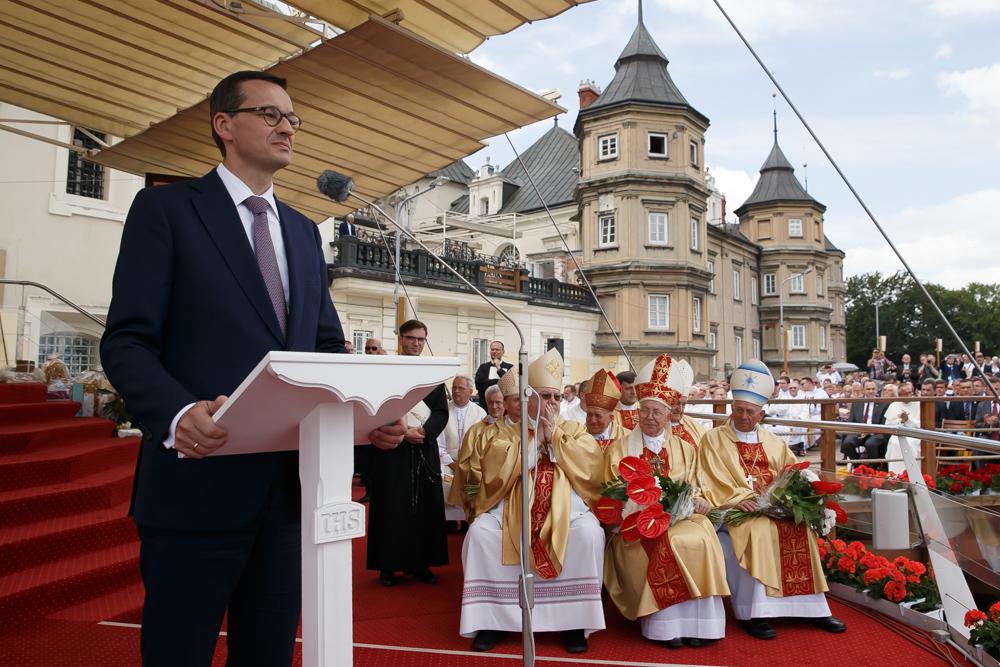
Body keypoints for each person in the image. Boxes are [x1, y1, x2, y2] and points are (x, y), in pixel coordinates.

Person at [99, 70, 407, 666]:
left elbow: (323, 354)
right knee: (177, 653)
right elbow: (128, 340)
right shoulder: (166, 210)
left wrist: (370, 426)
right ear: (224, 125)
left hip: (288, 495)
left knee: (266, 655)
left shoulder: (302, 230)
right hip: (196, 484)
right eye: (270, 114)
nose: (286, 127)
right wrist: (177, 411)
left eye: (292, 118)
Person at [460, 349, 605, 654]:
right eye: (545, 396)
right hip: (512, 508)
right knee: (480, 534)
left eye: (555, 397)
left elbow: (591, 470)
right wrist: (535, 439)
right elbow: (494, 472)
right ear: (530, 398)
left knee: (589, 534)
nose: (552, 403)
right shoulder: (507, 432)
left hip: (568, 508)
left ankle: (573, 623)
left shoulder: (574, 429)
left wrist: (554, 438)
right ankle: (491, 621)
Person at [698, 360, 845, 640]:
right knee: (760, 531)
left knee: (800, 528)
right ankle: (753, 612)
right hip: (738, 511)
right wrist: (738, 499)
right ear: (731, 408)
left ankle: (814, 609)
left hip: (774, 509)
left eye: (750, 412)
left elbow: (791, 472)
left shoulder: (773, 441)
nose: (743, 416)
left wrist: (795, 497)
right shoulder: (712, 440)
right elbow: (709, 478)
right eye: (739, 410)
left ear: (762, 413)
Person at [604, 355, 729, 648]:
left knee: (703, 538)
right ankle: (664, 626)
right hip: (636, 521)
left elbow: (697, 484)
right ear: (637, 411)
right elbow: (611, 490)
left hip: (684, 517)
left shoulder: (684, 447)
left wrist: (697, 500)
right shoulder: (619, 449)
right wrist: (638, 506)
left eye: (656, 412)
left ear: (668, 413)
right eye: (644, 410)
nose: (649, 417)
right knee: (665, 542)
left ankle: (700, 625)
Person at [367, 319, 449, 587]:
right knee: (393, 505)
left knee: (425, 506)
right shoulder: (388, 371)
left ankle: (421, 563)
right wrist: (403, 434)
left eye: (421, 339)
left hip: (424, 448)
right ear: (401, 339)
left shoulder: (432, 373)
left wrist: (423, 432)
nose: (416, 344)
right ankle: (388, 566)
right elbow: (378, 408)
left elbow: (440, 411)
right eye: (412, 338)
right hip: (394, 451)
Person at [448, 383, 510, 521]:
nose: (494, 406)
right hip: (479, 489)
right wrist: (473, 495)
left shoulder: (513, 429)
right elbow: (465, 464)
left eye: (498, 402)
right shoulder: (475, 431)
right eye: (490, 402)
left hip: (507, 489)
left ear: (505, 403)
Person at [438, 375, 486, 520]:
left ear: (470, 391)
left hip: (472, 464)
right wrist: (453, 464)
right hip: (448, 462)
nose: (456, 391)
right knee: (443, 481)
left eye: (461, 388)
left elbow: (482, 445)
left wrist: (467, 465)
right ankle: (449, 521)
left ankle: (468, 518)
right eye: (454, 387)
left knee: (475, 479)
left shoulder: (480, 413)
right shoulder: (443, 411)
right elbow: (438, 444)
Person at [580, 368, 630, 451]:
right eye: (589, 414)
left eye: (598, 415)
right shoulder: (578, 437)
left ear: (611, 417)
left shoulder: (627, 438)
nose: (592, 420)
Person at [841, 380, 889, 464]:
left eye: (873, 389)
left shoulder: (884, 403)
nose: (871, 391)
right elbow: (851, 421)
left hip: (876, 433)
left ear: (877, 390)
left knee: (870, 444)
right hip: (859, 432)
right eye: (868, 389)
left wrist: (870, 431)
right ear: (863, 390)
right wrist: (859, 431)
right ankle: (857, 465)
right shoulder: (857, 403)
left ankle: (873, 468)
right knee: (848, 442)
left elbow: (884, 423)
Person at [883, 382, 921, 474]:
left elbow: (922, 424)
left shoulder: (919, 403)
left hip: (915, 435)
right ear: (900, 395)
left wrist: (908, 420)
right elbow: (888, 425)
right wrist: (901, 421)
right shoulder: (894, 405)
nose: (910, 395)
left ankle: (912, 474)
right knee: (895, 443)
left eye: (910, 392)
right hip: (898, 435)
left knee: (910, 445)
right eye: (906, 393)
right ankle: (895, 475)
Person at [474, 340, 513, 406]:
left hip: (504, 406)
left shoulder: (510, 367)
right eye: (492, 349)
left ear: (503, 352)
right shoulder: (483, 367)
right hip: (486, 405)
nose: (494, 352)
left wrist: (499, 368)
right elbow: (479, 385)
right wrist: (498, 382)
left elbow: (510, 384)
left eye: (497, 350)